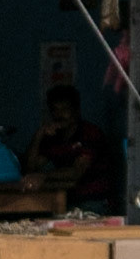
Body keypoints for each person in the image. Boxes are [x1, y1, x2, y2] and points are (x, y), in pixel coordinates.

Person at [22, 84, 115, 213]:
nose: (60, 115)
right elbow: (31, 168)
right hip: (65, 200)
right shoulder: (54, 136)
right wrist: (39, 135)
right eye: (55, 110)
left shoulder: (89, 133)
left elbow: (76, 172)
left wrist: (43, 176)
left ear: (76, 111)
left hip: (93, 201)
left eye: (65, 109)